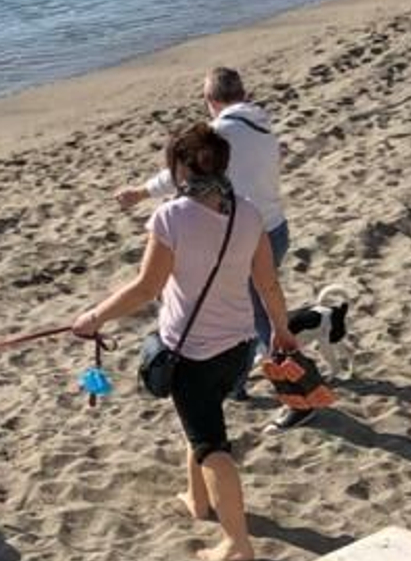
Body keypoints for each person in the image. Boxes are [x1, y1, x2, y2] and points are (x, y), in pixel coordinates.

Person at [77, 122, 294, 561]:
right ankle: (199, 502)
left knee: (212, 445)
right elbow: (268, 284)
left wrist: (94, 317)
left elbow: (145, 287)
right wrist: (281, 331)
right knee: (199, 420)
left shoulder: (170, 217)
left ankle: (237, 541)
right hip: (238, 344)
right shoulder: (248, 213)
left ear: (181, 168)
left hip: (193, 350)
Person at [115, 67, 289, 365]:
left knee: (246, 317)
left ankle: (282, 383)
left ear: (210, 99)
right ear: (243, 94)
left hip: (241, 231)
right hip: (274, 228)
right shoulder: (263, 127)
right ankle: (261, 369)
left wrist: (139, 193)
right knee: (259, 303)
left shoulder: (219, 134)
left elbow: (181, 176)